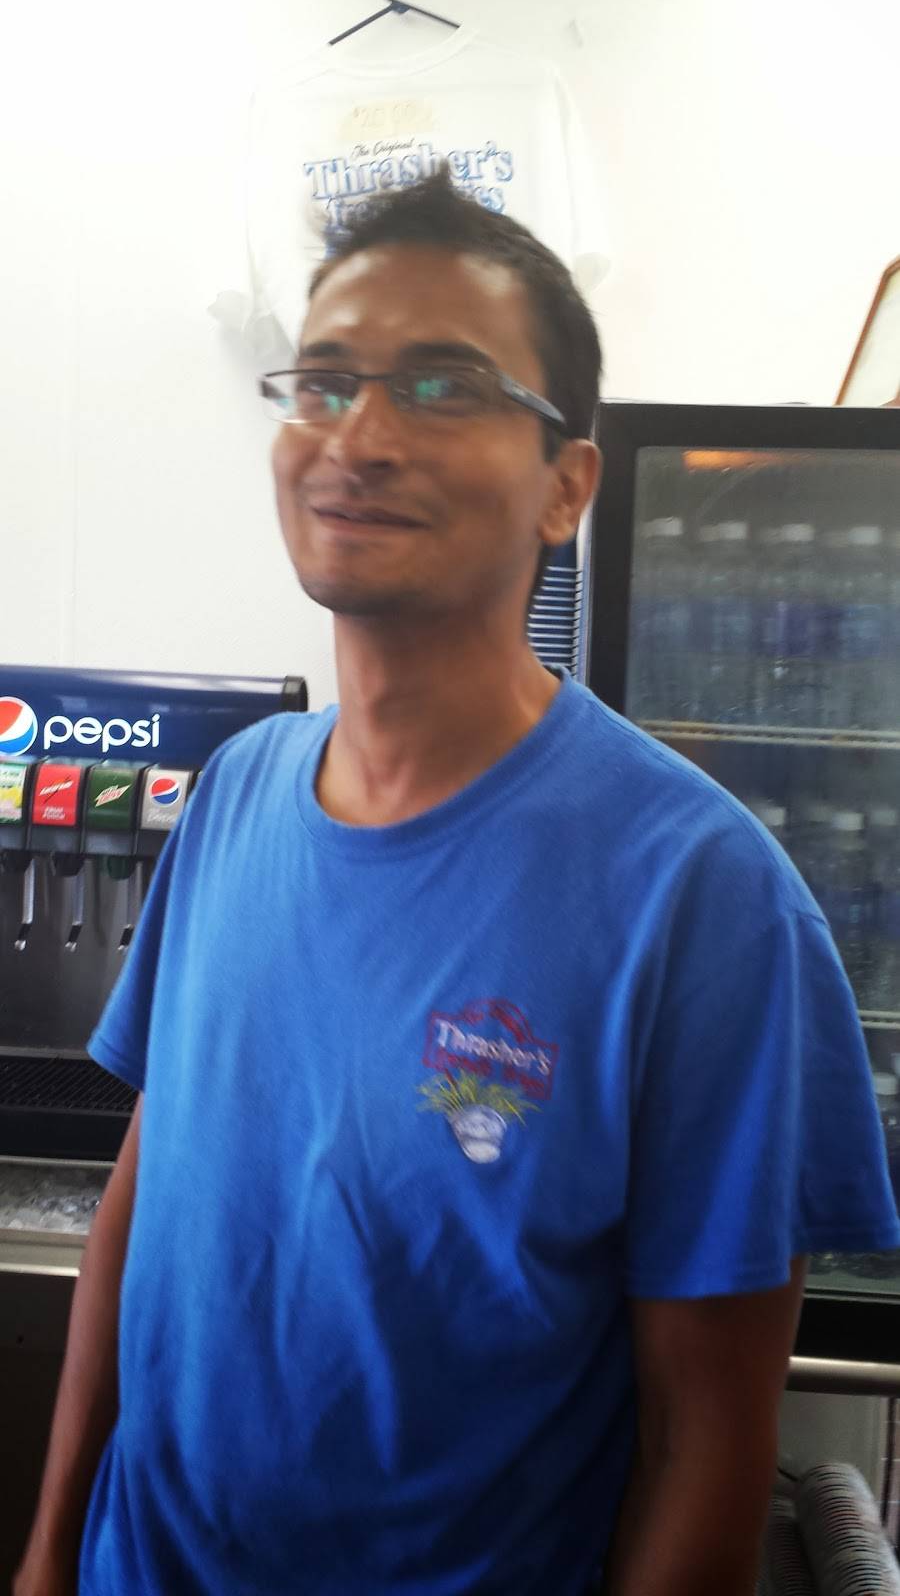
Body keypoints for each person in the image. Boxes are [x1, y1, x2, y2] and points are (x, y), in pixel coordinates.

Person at [15, 170, 900, 1596]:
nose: (358, 435)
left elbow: (709, 1439)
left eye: (442, 387)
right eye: (323, 383)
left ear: (568, 485)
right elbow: (145, 1189)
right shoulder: (235, 791)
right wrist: (52, 1551)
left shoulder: (702, 902)